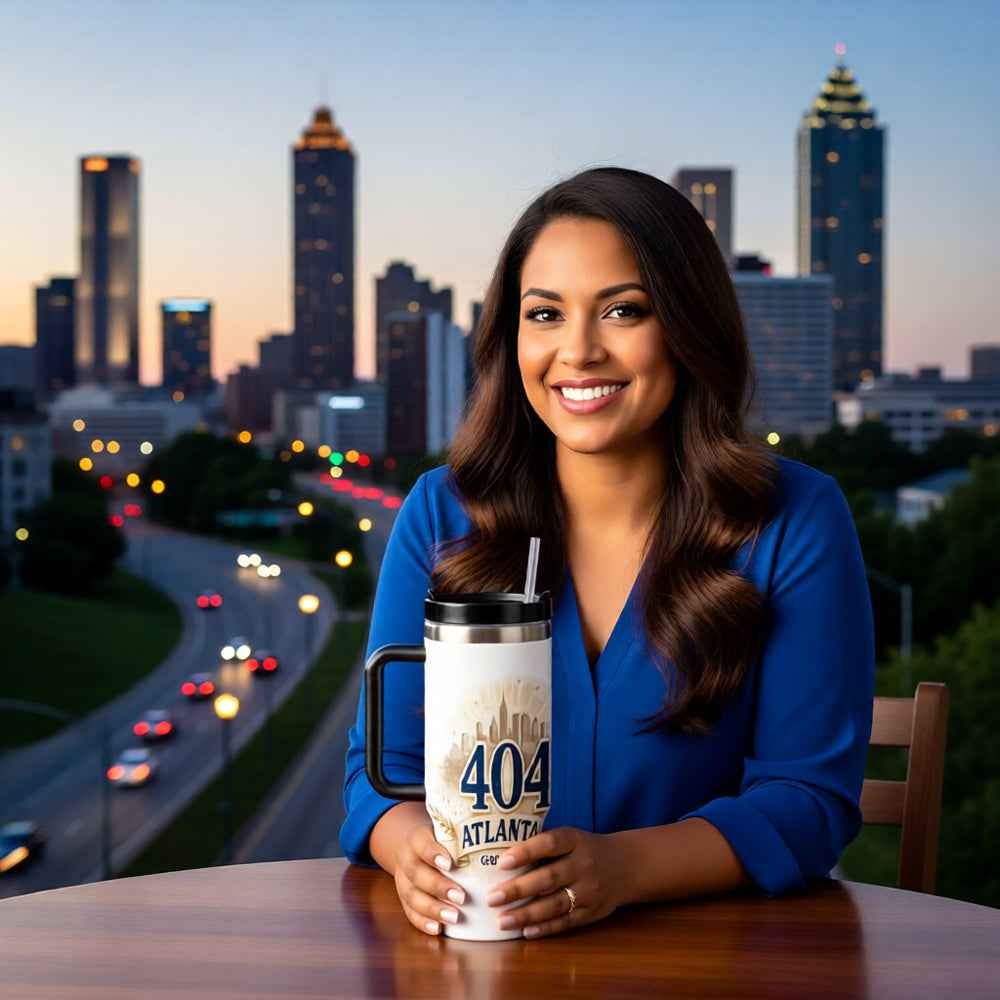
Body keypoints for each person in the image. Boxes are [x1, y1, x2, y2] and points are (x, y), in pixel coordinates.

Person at [341, 166, 875, 939]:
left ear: (688, 327)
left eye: (623, 310)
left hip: (711, 967)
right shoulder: (440, 512)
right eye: (545, 314)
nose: (579, 351)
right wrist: (410, 851)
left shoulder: (796, 518)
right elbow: (379, 773)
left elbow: (807, 801)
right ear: (511, 337)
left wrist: (620, 871)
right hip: (476, 960)